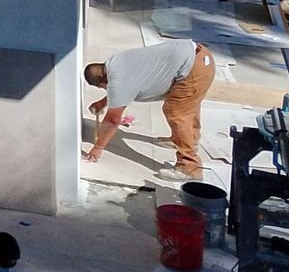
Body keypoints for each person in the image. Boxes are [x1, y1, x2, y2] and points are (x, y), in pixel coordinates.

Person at [84, 39, 215, 179]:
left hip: (192, 69)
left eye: (102, 87)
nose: (105, 89)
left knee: (177, 112)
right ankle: (185, 139)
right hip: (201, 57)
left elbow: (112, 121)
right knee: (187, 106)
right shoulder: (115, 62)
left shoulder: (119, 83)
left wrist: (97, 149)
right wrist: (102, 103)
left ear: (103, 83)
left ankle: (189, 167)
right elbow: (123, 87)